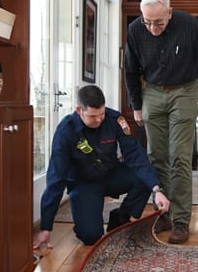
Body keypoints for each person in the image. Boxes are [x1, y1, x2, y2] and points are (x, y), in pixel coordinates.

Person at [125, 0, 198, 244]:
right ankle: (163, 212)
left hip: (186, 90)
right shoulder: (136, 30)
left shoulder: (188, 24)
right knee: (156, 156)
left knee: (179, 156)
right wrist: (137, 105)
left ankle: (180, 220)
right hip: (153, 93)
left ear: (169, 12)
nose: (153, 28)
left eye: (159, 22)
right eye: (148, 22)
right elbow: (131, 72)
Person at [33, 85, 170, 248]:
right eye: (92, 116)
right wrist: (46, 227)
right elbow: (56, 178)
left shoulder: (115, 119)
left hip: (111, 174)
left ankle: (120, 216)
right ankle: (90, 221)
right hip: (84, 183)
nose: (98, 120)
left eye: (101, 114)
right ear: (79, 110)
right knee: (91, 237)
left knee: (148, 176)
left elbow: (134, 153)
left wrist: (156, 190)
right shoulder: (66, 132)